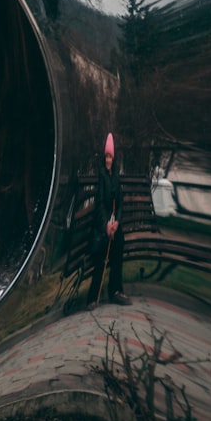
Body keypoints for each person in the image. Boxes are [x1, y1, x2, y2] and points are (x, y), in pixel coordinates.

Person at [85, 132, 132, 308]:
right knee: (102, 254)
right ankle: (92, 297)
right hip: (101, 227)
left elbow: (120, 204)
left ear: (114, 157)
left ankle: (116, 291)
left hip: (114, 224)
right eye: (106, 156)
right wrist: (107, 225)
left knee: (119, 244)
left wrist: (116, 223)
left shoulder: (116, 176)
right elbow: (99, 205)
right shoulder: (102, 176)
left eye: (110, 156)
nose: (108, 160)